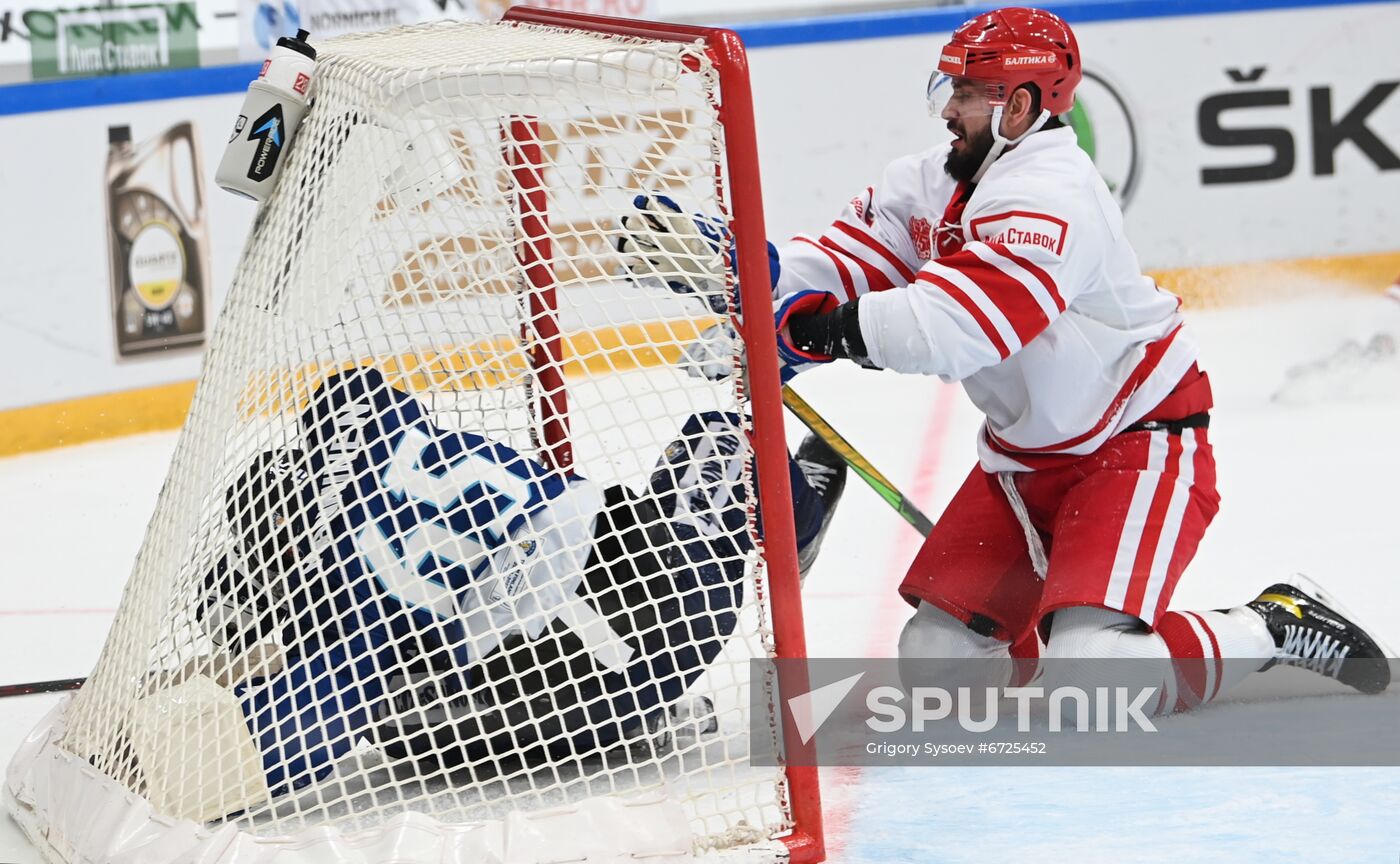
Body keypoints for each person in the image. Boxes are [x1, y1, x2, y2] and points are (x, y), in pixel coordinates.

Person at [620, 6, 1389, 715]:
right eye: (951, 86)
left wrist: (805, 334)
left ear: (1021, 106)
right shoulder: (924, 180)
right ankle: (1067, 637)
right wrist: (744, 271)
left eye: (972, 92)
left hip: (1131, 445)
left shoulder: (1054, 197)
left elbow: (957, 326)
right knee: (935, 666)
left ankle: (1270, 623)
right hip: (1023, 462)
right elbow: (843, 265)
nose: (950, 107)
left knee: (1098, 681)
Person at [195, 365, 847, 805]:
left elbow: (292, 743)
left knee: (391, 713)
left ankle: (630, 713)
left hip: (571, 696)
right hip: (659, 592)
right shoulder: (363, 418)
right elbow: (353, 386)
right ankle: (799, 530)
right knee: (723, 436)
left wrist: (211, 728)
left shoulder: (337, 618)